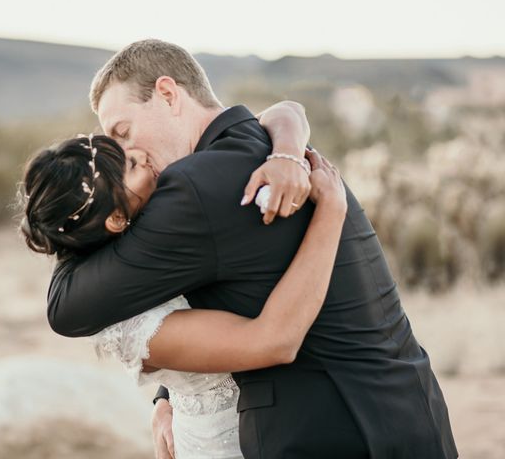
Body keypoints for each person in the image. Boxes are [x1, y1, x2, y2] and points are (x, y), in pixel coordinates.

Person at [46, 39, 458, 459]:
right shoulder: (261, 146)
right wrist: (169, 392)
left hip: (333, 431)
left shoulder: (194, 185)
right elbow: (228, 277)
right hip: (412, 409)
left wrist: (57, 228)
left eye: (124, 132)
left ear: (168, 94)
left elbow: (66, 309)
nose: (127, 153)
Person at [20, 132, 346, 458]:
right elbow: (275, 340)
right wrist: (331, 211)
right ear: (116, 219)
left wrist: (287, 145)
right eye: (132, 165)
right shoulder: (130, 325)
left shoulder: (145, 250)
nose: (142, 154)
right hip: (229, 445)